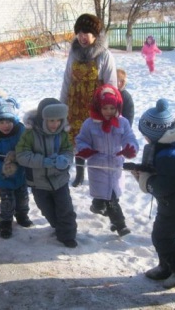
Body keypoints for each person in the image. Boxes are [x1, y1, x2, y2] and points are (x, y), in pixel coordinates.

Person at [129, 98, 175, 288]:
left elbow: (163, 185)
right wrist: (142, 169)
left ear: (155, 134)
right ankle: (166, 266)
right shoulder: (169, 146)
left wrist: (145, 180)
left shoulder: (173, 156)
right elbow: (162, 173)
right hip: (171, 201)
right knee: (160, 235)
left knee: (164, 238)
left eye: (145, 135)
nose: (144, 138)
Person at [60, 13, 117, 188]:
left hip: (96, 106)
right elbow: (67, 79)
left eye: (86, 33)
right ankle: (79, 172)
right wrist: (62, 106)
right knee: (77, 139)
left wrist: (110, 110)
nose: (82, 37)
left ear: (95, 34)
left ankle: (97, 173)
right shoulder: (73, 53)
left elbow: (111, 85)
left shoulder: (104, 55)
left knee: (96, 140)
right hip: (75, 104)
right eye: (79, 33)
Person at [75, 84, 138, 236]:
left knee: (110, 194)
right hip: (98, 165)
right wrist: (84, 149)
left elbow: (129, 137)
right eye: (105, 108)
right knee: (108, 196)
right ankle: (120, 224)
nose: (109, 112)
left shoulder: (123, 122)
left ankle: (97, 206)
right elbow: (81, 139)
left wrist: (130, 147)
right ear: (98, 107)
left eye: (112, 108)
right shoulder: (89, 124)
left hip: (115, 165)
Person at [16, 98, 77, 248]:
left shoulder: (62, 134)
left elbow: (68, 151)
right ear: (42, 119)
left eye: (58, 120)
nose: (55, 124)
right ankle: (57, 225)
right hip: (39, 182)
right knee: (46, 209)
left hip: (59, 180)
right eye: (51, 121)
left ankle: (67, 235)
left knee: (65, 208)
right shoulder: (29, 134)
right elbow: (21, 155)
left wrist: (65, 159)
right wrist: (43, 161)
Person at [0, 98, 33, 239]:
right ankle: (5, 222)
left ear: (14, 120)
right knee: (7, 201)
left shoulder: (21, 131)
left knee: (23, 198)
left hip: (21, 175)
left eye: (9, 121)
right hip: (3, 178)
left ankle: (22, 215)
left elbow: (28, 146)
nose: (6, 125)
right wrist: (2, 167)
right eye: (2, 122)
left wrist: (19, 155)